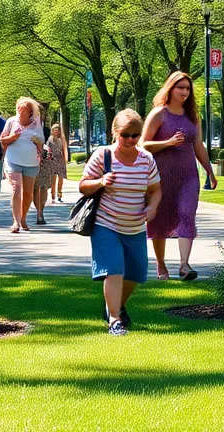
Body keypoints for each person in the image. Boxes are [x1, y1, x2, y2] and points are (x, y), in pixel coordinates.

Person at [80, 109, 162, 337]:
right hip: (107, 224)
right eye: (126, 134)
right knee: (113, 269)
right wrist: (100, 181)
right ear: (115, 132)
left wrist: (152, 207)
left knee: (135, 274)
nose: (131, 140)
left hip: (135, 227)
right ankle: (114, 319)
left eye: (136, 135)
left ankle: (116, 305)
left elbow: (155, 190)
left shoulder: (146, 160)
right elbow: (83, 186)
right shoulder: (103, 155)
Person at [141, 71, 217, 281]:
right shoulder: (159, 114)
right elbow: (143, 145)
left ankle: (184, 265)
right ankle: (161, 264)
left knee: (187, 214)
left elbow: (198, 145)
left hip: (188, 176)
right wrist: (167, 143)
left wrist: (209, 170)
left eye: (187, 88)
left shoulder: (192, 115)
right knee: (160, 220)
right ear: (170, 88)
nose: (184, 92)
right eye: (180, 87)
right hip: (161, 176)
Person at [0, 97, 46, 233]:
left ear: (31, 112)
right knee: (16, 188)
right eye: (19, 109)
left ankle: (23, 218)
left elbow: (42, 141)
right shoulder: (11, 121)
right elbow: (2, 140)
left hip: (31, 162)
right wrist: (12, 137)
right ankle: (16, 221)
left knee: (28, 194)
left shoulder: (37, 123)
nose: (21, 112)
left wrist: (37, 142)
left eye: (24, 110)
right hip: (13, 160)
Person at [38, 124, 69, 215]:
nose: (56, 131)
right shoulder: (50, 139)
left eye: (57, 130)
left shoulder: (61, 140)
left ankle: (59, 193)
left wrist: (65, 159)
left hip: (60, 160)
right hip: (52, 160)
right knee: (53, 178)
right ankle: (52, 195)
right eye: (54, 129)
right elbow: (46, 148)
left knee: (60, 178)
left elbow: (64, 149)